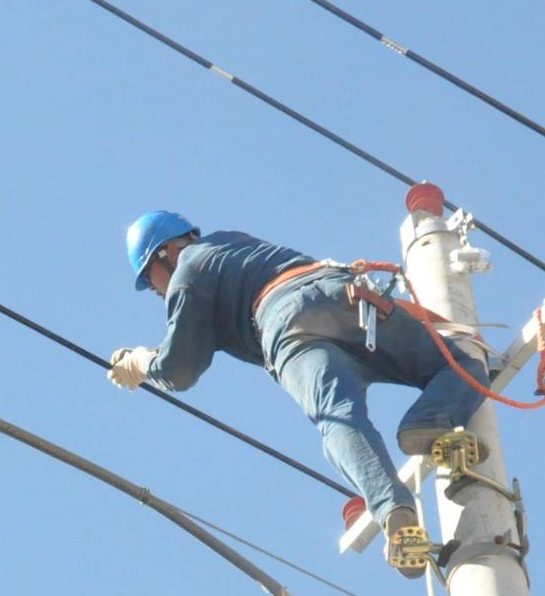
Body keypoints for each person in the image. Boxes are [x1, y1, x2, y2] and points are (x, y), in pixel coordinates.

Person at [107, 210, 493, 577]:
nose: (156, 291)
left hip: (290, 327)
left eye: (151, 277)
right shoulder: (231, 244)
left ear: (167, 252)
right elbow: (199, 329)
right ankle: (431, 420)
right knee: (461, 366)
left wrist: (144, 364)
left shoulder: (188, 271)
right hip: (346, 298)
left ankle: (394, 509)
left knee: (338, 415)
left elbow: (181, 367)